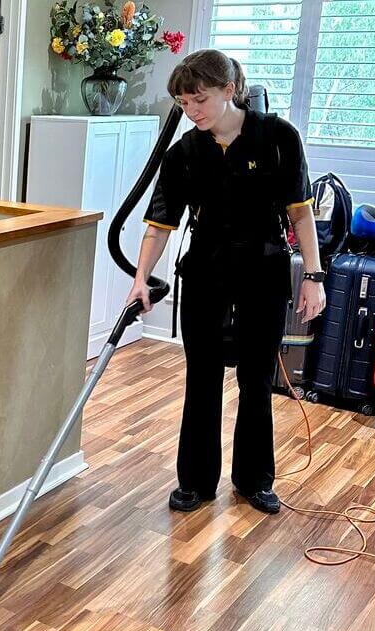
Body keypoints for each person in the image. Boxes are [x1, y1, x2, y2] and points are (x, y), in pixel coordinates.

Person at [126, 49, 327, 515]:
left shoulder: (277, 138)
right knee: (202, 376)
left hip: (264, 268)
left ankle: (254, 480)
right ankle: (195, 482)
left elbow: (300, 212)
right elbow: (159, 222)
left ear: (229, 90)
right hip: (205, 270)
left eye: (199, 99)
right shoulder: (185, 152)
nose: (191, 111)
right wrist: (140, 278)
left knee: (257, 377)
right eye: (183, 102)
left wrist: (314, 276)